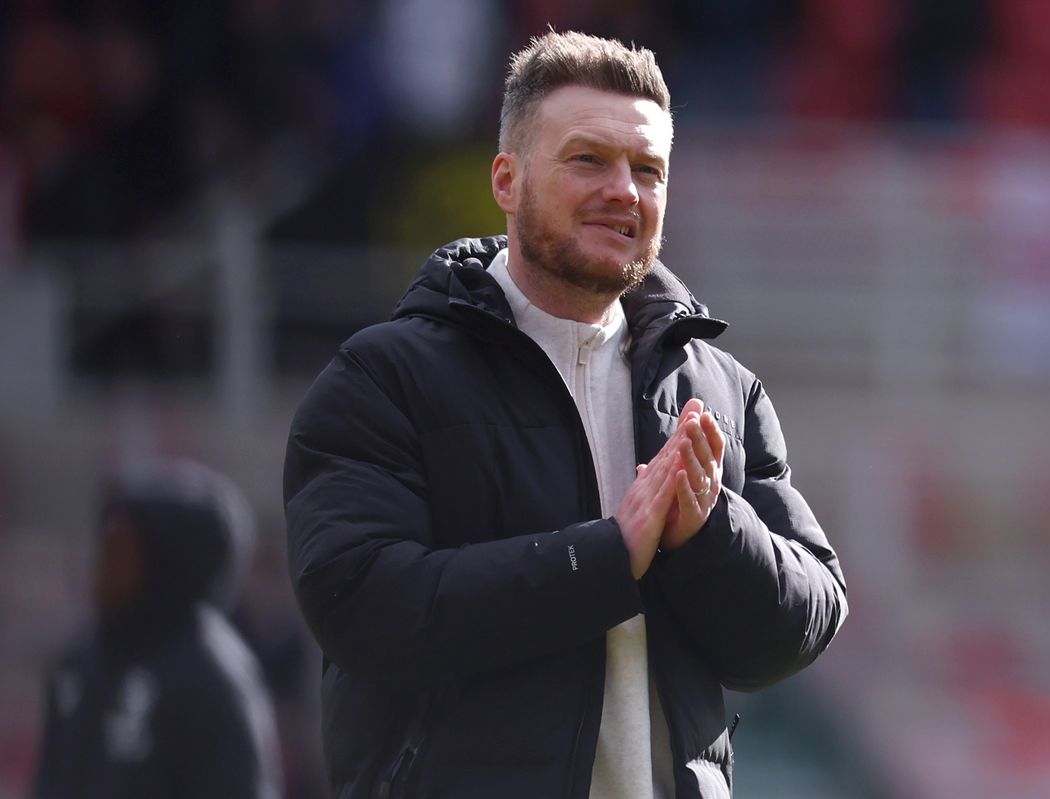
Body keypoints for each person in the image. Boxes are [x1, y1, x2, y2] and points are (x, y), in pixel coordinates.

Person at [283, 30, 848, 799]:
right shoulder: (383, 377)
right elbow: (361, 605)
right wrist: (606, 557)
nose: (625, 190)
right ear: (506, 181)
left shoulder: (722, 389)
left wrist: (711, 530)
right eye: (589, 159)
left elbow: (805, 619)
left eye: (648, 170)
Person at [32, 459, 283, 799]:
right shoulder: (78, 661)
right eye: (105, 547)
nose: (102, 564)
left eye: (121, 551)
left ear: (168, 561)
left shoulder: (213, 678)